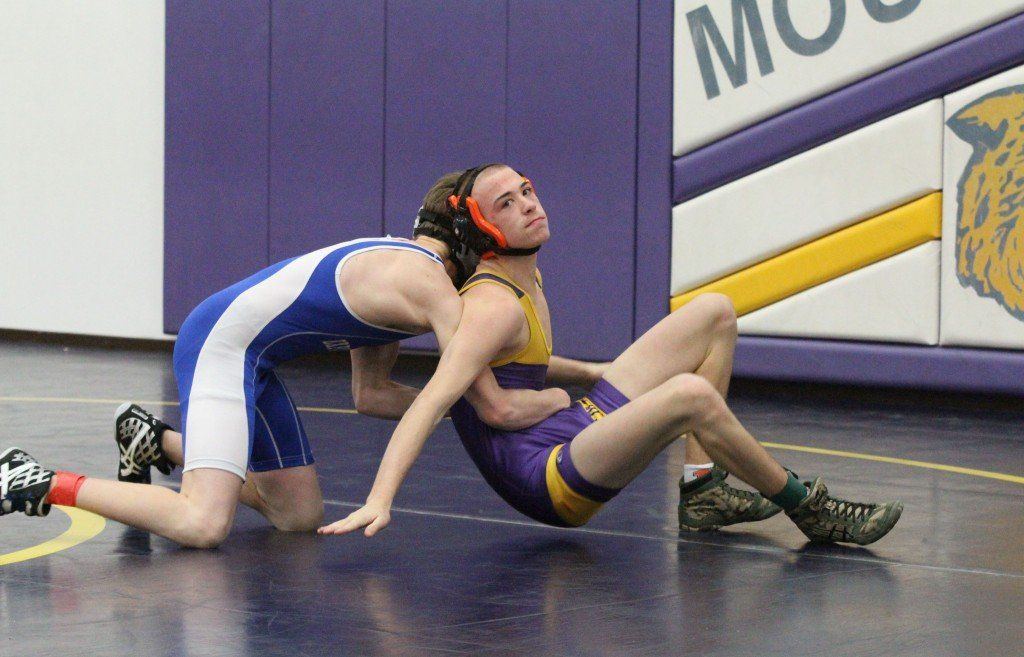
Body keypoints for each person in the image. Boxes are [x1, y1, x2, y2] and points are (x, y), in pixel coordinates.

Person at [321, 164, 903, 545]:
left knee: (714, 313)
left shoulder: (522, 278)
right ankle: (810, 510)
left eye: (527, 190)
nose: (528, 204)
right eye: (506, 203)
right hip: (546, 479)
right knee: (690, 396)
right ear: (480, 230)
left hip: (570, 429)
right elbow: (436, 401)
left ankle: (703, 489)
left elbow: (517, 362)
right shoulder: (490, 305)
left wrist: (590, 373)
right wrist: (380, 498)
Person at [0, 228, 575, 548]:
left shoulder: (404, 272)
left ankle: (155, 443)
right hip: (222, 347)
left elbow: (371, 396)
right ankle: (34, 478)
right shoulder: (428, 288)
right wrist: (553, 398)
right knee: (202, 523)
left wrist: (584, 376)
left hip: (255, 359)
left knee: (298, 516)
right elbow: (490, 397)